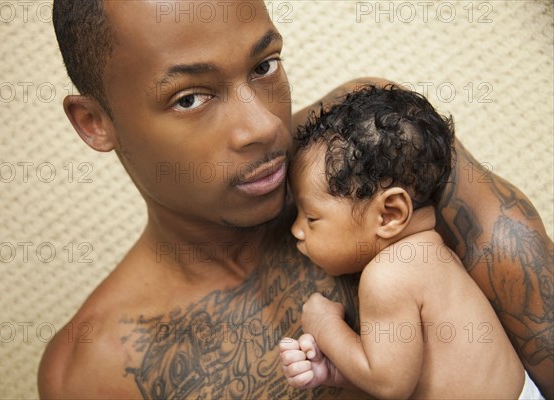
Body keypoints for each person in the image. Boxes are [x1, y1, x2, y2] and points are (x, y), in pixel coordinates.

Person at [39, 1, 553, 398]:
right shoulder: (92, 371)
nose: (265, 127)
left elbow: (517, 261)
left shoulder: (377, 146)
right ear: (95, 122)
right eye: (190, 98)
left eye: (265, 66)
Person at [279, 86, 544, 399]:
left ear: (390, 213)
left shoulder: (387, 277)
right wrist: (337, 372)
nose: (297, 230)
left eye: (311, 218)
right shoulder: (436, 256)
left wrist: (324, 325)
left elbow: (389, 385)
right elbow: (418, 372)